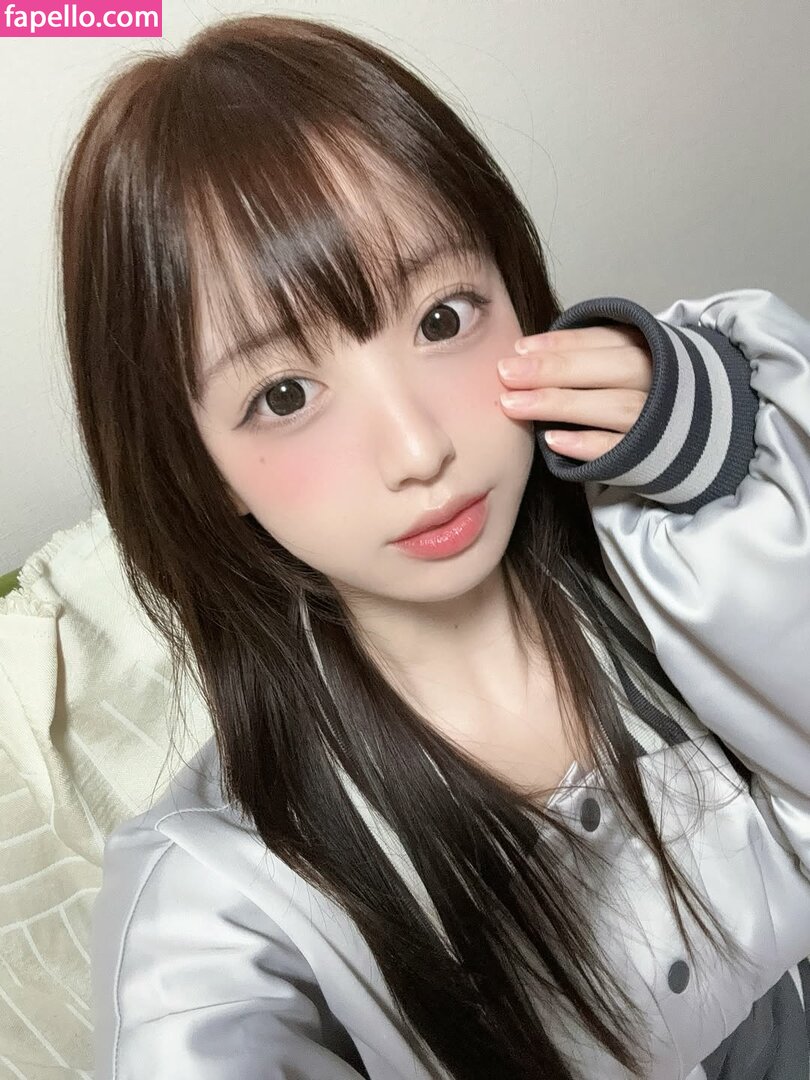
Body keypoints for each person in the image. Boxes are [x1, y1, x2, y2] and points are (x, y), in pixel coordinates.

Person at [57, 12, 810, 1080]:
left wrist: (729, 445)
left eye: (445, 319)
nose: (420, 450)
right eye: (285, 395)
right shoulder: (218, 915)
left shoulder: (677, 553)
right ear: (195, 464)